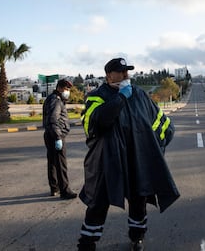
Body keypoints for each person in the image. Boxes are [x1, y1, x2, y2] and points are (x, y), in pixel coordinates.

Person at [77, 58, 180, 251]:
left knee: (138, 199)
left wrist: (157, 146)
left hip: (136, 158)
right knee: (98, 203)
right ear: (109, 76)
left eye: (127, 71)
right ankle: (87, 242)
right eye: (121, 72)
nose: (126, 75)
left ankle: (137, 237)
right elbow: (97, 122)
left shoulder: (139, 94)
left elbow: (162, 123)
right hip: (107, 162)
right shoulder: (97, 97)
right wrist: (121, 98)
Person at [43, 79, 77, 200]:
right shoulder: (56, 101)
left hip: (50, 134)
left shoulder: (52, 98)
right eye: (66, 89)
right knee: (61, 164)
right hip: (56, 135)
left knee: (52, 162)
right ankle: (65, 190)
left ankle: (54, 187)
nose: (67, 92)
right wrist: (58, 137)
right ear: (60, 88)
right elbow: (53, 119)